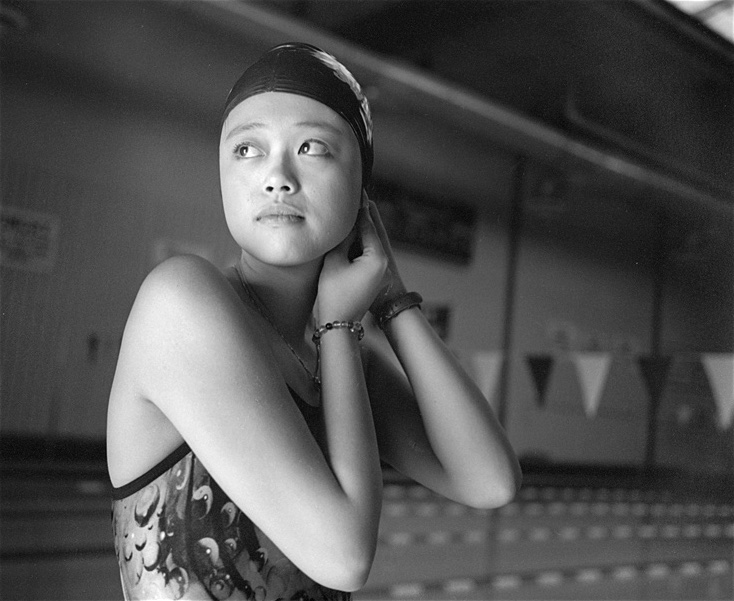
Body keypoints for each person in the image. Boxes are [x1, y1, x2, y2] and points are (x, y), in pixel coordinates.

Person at [107, 42, 521, 601]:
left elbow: (490, 480)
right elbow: (343, 558)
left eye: (311, 147)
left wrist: (392, 301)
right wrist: (340, 332)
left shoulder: (336, 355)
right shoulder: (181, 300)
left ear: (362, 196)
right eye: (247, 149)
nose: (277, 177)